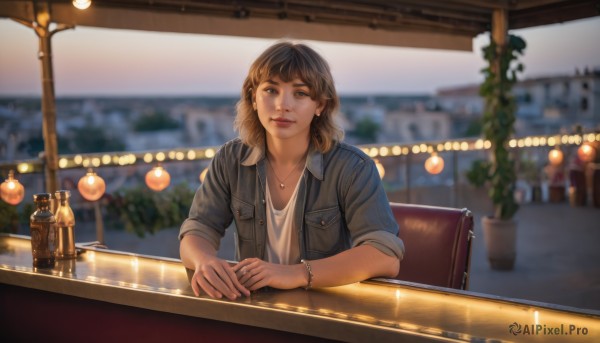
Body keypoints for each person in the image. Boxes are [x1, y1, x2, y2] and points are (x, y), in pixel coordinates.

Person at [179, 41, 404, 300]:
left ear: (320, 105)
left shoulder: (353, 168)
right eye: (271, 90)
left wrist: (296, 273)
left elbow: (385, 255)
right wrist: (204, 260)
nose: (282, 105)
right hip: (252, 307)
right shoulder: (230, 159)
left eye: (300, 93)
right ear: (253, 97)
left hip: (325, 312)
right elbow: (198, 228)